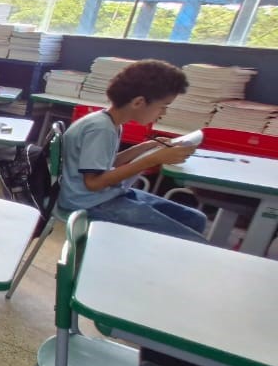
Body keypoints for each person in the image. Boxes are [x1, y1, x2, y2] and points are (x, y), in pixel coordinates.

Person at [58, 59, 207, 242]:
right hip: (89, 203)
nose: (163, 113)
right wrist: (151, 159)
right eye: (163, 107)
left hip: (100, 197)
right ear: (138, 102)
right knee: (192, 240)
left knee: (196, 219)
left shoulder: (108, 122)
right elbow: (94, 183)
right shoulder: (101, 128)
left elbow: (103, 163)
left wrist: (145, 147)